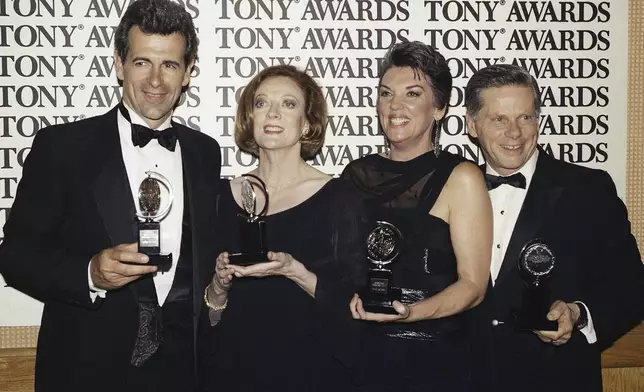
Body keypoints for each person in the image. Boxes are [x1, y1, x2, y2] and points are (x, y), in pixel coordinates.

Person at [0, 1, 221, 391]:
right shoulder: (63, 147)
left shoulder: (205, 152)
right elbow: (16, 256)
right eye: (141, 62)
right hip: (87, 370)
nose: (156, 80)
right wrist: (89, 273)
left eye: (169, 64)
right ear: (119, 64)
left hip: (185, 372)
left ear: (188, 73)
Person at [465, 64, 644, 392]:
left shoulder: (588, 189)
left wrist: (579, 314)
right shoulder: (452, 191)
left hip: (556, 380)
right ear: (472, 125)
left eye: (525, 117)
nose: (515, 133)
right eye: (499, 119)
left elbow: (633, 286)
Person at [197, 64, 366, 391]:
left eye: (288, 104)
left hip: (313, 373)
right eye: (261, 103)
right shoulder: (219, 197)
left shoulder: (340, 197)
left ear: (307, 124)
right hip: (233, 373)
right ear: (250, 118)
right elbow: (206, 320)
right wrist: (218, 287)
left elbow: (355, 307)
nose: (272, 113)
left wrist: (296, 272)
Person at [340, 41, 493, 392]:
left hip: (433, 360)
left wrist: (411, 312)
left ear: (438, 107)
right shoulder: (354, 175)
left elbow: (473, 286)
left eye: (412, 93)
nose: (395, 105)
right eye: (386, 93)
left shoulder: (462, 177)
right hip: (360, 356)